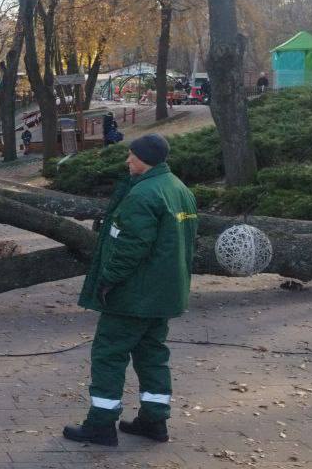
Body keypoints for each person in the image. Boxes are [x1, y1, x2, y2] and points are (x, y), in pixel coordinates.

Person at [63, 133, 198, 446]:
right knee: (153, 356)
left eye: (132, 155)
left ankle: (100, 424)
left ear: (146, 159)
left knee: (108, 354)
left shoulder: (143, 195)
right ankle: (154, 421)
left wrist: (108, 279)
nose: (127, 160)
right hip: (165, 293)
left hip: (134, 295)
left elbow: (131, 246)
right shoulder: (179, 190)